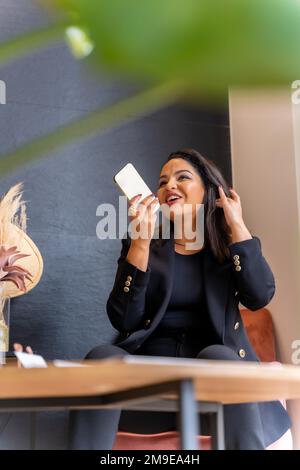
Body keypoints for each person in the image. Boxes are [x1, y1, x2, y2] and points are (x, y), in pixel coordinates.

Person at [69, 147, 291, 449]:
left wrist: (237, 224)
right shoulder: (146, 243)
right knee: (101, 357)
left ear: (210, 192)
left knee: (219, 356)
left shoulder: (229, 247)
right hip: (152, 380)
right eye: (162, 182)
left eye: (181, 177)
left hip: (214, 382)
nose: (168, 186)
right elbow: (124, 319)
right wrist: (140, 244)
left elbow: (260, 295)